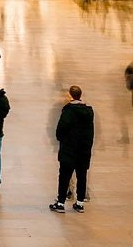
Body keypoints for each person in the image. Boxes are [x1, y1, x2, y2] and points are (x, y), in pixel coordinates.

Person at [49, 85, 94, 213]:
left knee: (64, 176)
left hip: (69, 150)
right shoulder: (89, 111)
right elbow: (91, 132)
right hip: (84, 150)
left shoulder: (68, 111)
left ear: (70, 96)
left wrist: (61, 139)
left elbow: (61, 129)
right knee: (82, 175)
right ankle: (79, 203)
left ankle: (61, 203)